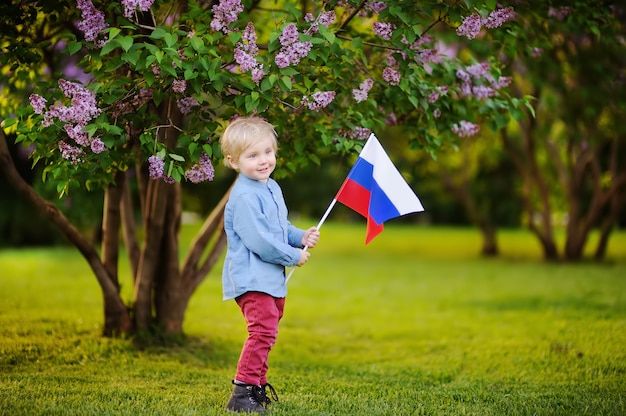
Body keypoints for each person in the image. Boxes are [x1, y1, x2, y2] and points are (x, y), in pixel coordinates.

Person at [219, 116, 320, 413]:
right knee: (262, 331)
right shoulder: (245, 197)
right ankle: (241, 394)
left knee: (269, 330)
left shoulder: (270, 187)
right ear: (233, 161)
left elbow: (279, 227)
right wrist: (293, 256)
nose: (263, 161)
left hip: (270, 278)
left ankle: (257, 388)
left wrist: (300, 237)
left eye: (267, 152)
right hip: (252, 278)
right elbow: (261, 241)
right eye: (252, 156)